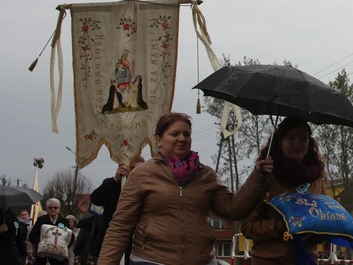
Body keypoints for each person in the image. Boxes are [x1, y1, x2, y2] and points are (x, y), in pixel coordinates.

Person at [97, 112, 273, 265]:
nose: (182, 138)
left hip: (201, 260)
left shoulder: (205, 175)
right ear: (159, 140)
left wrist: (257, 176)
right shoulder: (142, 175)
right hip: (151, 260)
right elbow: (121, 226)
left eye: (186, 134)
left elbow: (232, 209)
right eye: (174, 134)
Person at [241, 116, 327, 264]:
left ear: (309, 142)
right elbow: (249, 227)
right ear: (280, 143)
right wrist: (283, 226)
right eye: (291, 138)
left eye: (303, 138)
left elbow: (324, 221)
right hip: (270, 261)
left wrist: (317, 230)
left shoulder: (316, 179)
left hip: (306, 259)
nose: (297, 143)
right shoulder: (266, 176)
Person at [89, 155, 145, 262]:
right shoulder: (114, 184)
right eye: (132, 168)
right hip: (110, 244)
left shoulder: (146, 189)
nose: (135, 172)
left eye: (139, 169)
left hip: (135, 247)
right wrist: (115, 180)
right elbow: (96, 199)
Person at [29, 199, 72, 265]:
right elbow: (32, 235)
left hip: (59, 257)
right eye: (50, 207)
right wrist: (41, 243)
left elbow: (71, 236)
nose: (53, 209)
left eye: (55, 207)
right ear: (47, 208)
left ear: (59, 209)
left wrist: (65, 246)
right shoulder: (41, 220)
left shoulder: (64, 221)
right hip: (43, 256)